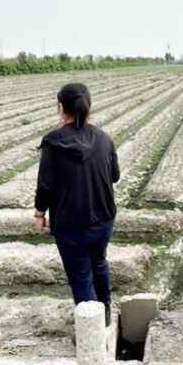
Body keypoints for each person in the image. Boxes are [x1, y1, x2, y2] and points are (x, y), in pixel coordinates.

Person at [34, 83, 120, 326]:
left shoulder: (53, 142)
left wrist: (40, 213)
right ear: (88, 106)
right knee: (99, 262)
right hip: (103, 219)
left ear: (60, 107)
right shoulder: (104, 138)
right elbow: (115, 175)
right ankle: (104, 314)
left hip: (69, 224)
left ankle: (93, 332)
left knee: (81, 276)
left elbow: (46, 185)